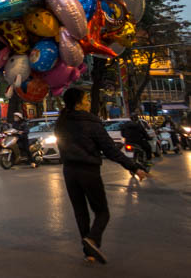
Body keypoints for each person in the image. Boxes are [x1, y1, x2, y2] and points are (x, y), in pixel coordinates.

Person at [55, 88, 147, 265]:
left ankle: (88, 252)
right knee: (102, 212)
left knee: (80, 212)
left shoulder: (62, 122)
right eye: (86, 99)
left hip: (69, 172)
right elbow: (110, 150)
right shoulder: (91, 122)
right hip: (89, 171)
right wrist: (134, 167)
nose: (89, 102)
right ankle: (93, 239)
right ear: (78, 103)